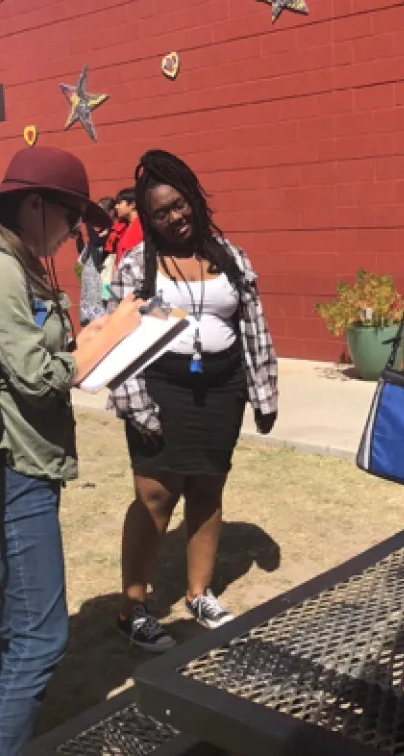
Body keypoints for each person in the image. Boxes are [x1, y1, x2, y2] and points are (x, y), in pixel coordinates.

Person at [0, 146, 143, 755]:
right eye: (68, 217)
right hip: (13, 467)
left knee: (19, 626)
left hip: (23, 460)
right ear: (35, 205)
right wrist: (95, 350)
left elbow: (29, 360)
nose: (71, 233)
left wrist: (93, 342)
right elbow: (35, 374)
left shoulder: (13, 263)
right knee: (41, 637)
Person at [109, 149, 279, 652]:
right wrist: (137, 406)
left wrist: (264, 394)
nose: (175, 218)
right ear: (149, 219)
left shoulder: (229, 255)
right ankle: (134, 607)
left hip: (222, 388)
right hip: (161, 388)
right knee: (156, 496)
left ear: (194, 199)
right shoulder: (138, 265)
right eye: (161, 213)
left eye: (180, 205)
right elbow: (121, 342)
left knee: (208, 489)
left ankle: (199, 594)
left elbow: (254, 327)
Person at [77, 197, 115, 327]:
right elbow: (78, 265)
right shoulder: (92, 243)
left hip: (105, 285)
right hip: (92, 285)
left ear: (111, 212)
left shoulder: (114, 235)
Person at [106, 187, 143, 262]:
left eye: (119, 203)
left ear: (132, 204)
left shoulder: (142, 227)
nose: (116, 207)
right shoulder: (124, 227)